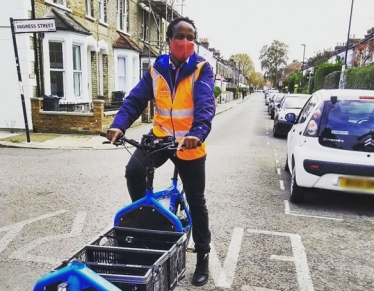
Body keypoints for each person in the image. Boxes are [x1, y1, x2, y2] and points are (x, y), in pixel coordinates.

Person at [105, 16, 215, 287]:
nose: (186, 42)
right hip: (161, 137)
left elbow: (205, 105)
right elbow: (135, 99)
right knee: (134, 171)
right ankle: (147, 228)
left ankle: (203, 256)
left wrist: (197, 134)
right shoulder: (157, 69)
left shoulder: (202, 68)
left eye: (191, 38)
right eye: (180, 37)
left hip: (190, 142)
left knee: (196, 200)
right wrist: (119, 125)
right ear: (168, 41)